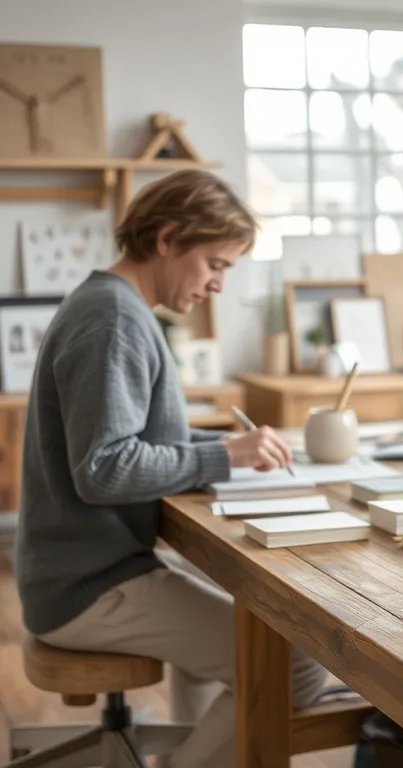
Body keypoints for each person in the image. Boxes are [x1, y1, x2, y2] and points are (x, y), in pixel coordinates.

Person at [14, 169, 327, 768]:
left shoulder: (115, 306)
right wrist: (225, 455)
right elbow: (104, 468)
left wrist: (227, 445)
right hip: (88, 588)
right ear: (166, 239)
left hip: (86, 570)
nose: (218, 284)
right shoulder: (113, 320)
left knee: (243, 614)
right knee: (294, 665)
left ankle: (192, 751)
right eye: (215, 264)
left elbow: (137, 438)